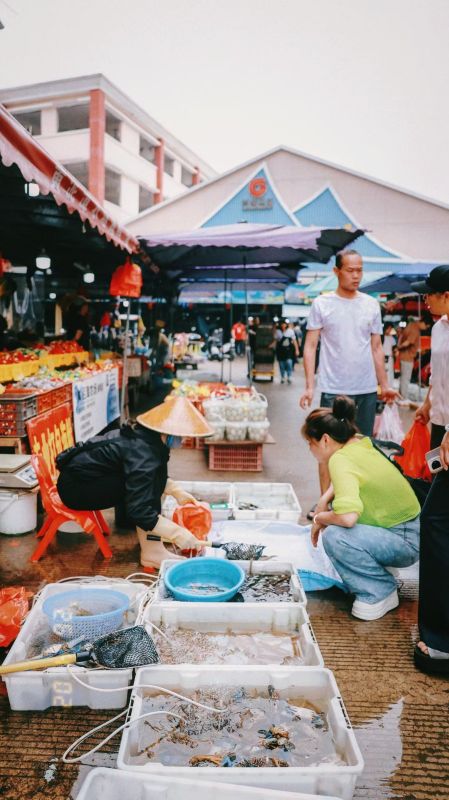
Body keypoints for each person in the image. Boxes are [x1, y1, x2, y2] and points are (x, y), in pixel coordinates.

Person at [57, 396, 213, 570]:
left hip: (84, 478)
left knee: (148, 486)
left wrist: (175, 491)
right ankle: (152, 552)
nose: (183, 441)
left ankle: (151, 547)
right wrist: (177, 534)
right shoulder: (143, 451)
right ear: (167, 432)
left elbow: (152, 474)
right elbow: (140, 506)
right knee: (144, 496)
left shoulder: (147, 438)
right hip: (76, 488)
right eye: (181, 436)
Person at [302, 396, 420, 620]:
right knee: (336, 513)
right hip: (411, 530)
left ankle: (379, 591)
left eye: (310, 442)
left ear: (325, 440)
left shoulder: (340, 460)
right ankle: (376, 572)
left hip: (405, 540)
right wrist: (324, 500)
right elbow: (352, 479)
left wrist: (319, 518)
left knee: (335, 536)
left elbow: (347, 517)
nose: (309, 448)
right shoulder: (358, 442)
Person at [299, 249, 398, 507]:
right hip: (333, 388)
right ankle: (325, 504)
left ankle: (355, 504)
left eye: (360, 270)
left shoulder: (370, 304)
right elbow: (310, 346)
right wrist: (309, 386)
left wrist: (384, 385)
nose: (356, 276)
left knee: (361, 449)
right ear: (337, 271)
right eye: (351, 270)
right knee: (328, 449)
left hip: (365, 389)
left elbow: (376, 347)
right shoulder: (322, 304)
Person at [409, 265, 449, 674]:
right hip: (441, 425)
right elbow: (442, 377)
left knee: (435, 522)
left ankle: (439, 640)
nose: (426, 300)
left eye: (431, 294)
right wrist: (427, 405)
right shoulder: (439, 328)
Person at [396, 317, 425, 404]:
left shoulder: (410, 325)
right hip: (407, 357)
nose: (425, 328)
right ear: (422, 323)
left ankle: (401, 396)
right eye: (426, 326)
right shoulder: (415, 329)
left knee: (403, 378)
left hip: (404, 356)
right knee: (406, 378)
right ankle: (403, 398)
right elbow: (408, 342)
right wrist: (399, 347)